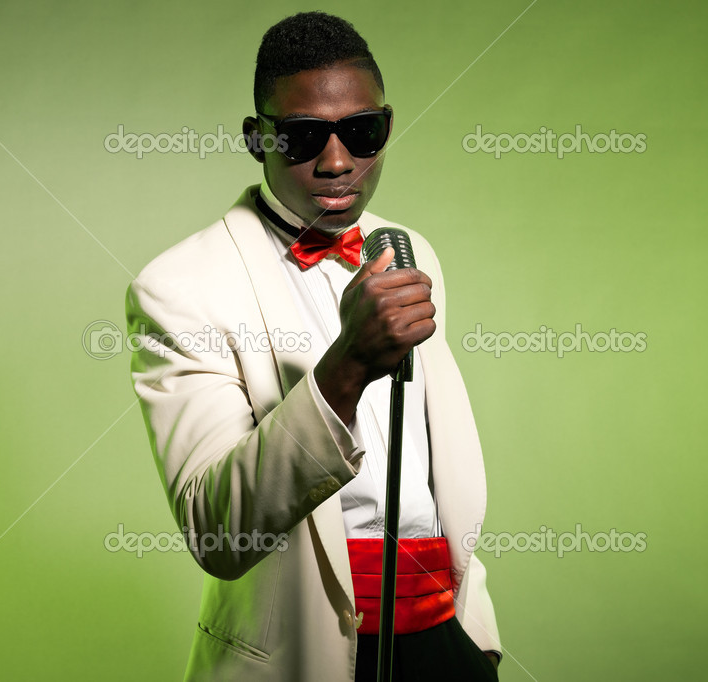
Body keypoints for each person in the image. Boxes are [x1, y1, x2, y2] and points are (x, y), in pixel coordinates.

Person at [126, 11, 501, 681]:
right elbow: (217, 529)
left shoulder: (408, 250)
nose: (336, 162)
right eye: (302, 138)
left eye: (361, 133)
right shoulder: (176, 287)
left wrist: (475, 641)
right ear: (255, 138)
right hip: (305, 653)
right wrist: (348, 364)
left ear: (385, 127)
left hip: (444, 636)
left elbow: (426, 477)